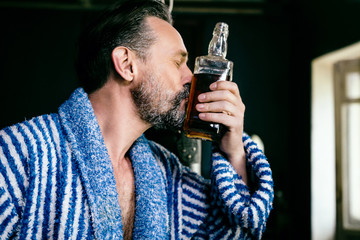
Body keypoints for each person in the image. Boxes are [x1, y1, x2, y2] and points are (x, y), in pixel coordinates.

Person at [0, 0, 273, 239]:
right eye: (178, 63)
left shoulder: (164, 172)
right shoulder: (18, 154)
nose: (191, 78)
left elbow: (231, 230)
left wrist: (233, 148)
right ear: (127, 65)